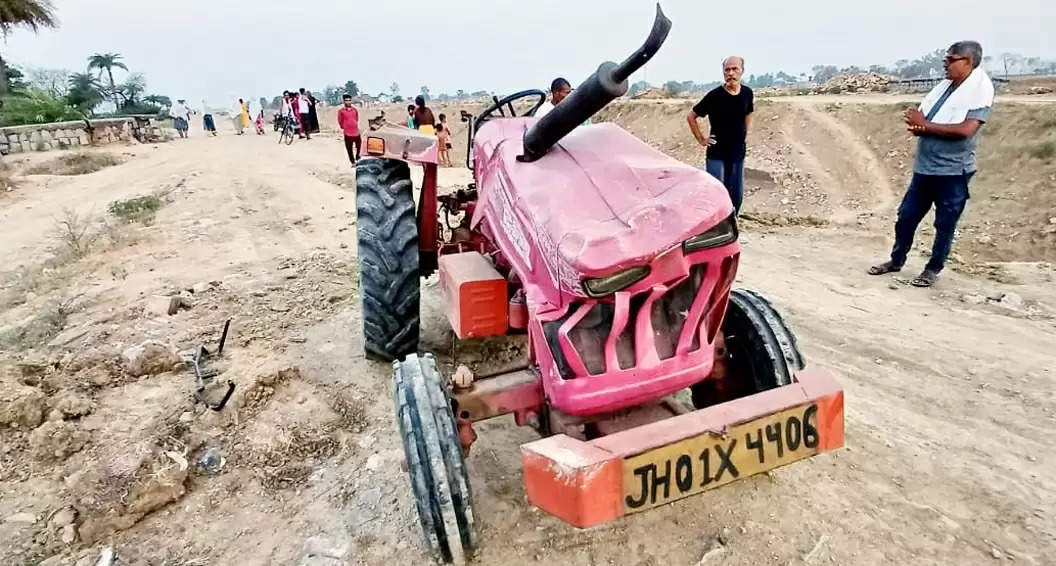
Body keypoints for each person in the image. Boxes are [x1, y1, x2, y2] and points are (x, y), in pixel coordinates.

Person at [868, 41, 994, 287]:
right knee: (906, 217)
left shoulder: (979, 91)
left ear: (968, 62)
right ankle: (896, 260)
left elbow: (965, 130)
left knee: (945, 223)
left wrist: (925, 126)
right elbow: (921, 119)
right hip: (924, 168)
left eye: (951, 59)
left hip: (953, 172)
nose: (945, 64)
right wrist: (920, 126)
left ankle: (932, 269)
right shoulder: (944, 89)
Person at [687, 56, 754, 215]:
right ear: (723, 72)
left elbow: (749, 112)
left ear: (742, 71)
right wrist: (701, 139)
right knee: (717, 192)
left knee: (736, 195)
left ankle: (732, 224)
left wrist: (744, 133)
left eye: (734, 69)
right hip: (717, 154)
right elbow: (691, 116)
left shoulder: (747, 93)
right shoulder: (714, 96)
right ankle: (715, 225)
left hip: (738, 152)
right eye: (727, 70)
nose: (731, 73)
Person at [338, 94, 361, 166]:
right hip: (347, 133)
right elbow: (340, 120)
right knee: (349, 149)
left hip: (356, 132)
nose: (348, 102)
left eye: (349, 100)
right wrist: (344, 127)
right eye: (346, 101)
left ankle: (358, 157)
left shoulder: (355, 110)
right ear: (344, 102)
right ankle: (353, 162)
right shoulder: (341, 111)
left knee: (359, 146)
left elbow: (356, 119)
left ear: (351, 101)